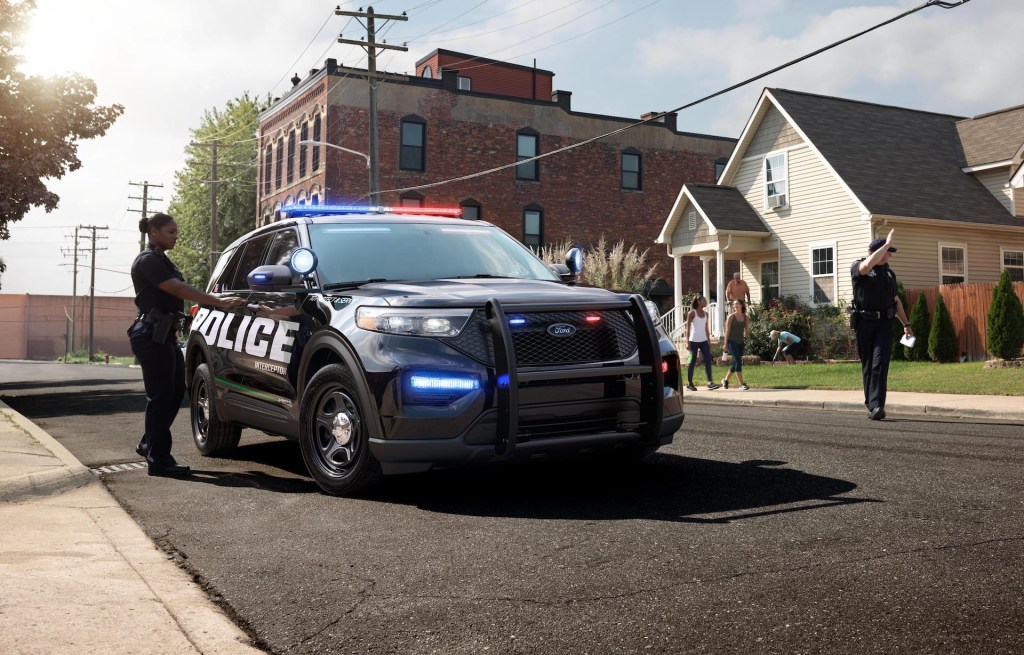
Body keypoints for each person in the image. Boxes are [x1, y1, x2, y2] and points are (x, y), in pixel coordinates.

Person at [129, 212, 245, 476]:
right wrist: (218, 302)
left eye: (176, 231)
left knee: (175, 392)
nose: (176, 236)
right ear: (154, 232)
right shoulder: (147, 261)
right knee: (160, 398)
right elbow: (177, 289)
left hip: (164, 334)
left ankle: (149, 442)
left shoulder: (160, 260)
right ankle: (158, 460)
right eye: (171, 232)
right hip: (150, 336)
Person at [851, 229, 913, 420]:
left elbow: (896, 300)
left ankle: (877, 406)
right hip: (864, 323)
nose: (890, 255)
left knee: (880, 363)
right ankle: (871, 405)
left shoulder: (889, 274)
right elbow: (867, 265)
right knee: (869, 364)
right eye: (888, 251)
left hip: (885, 324)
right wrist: (885, 244)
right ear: (877, 251)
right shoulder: (859, 267)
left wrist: (906, 324)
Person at [682, 294, 721, 391]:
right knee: (692, 362)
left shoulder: (706, 314)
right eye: (704, 300)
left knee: (708, 360)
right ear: (698, 302)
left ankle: (710, 382)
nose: (706, 302)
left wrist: (709, 341)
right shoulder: (692, 313)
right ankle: (689, 384)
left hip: (703, 341)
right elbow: (687, 329)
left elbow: (706, 329)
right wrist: (687, 342)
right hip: (693, 340)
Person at [721, 300, 751, 390]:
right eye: (733, 304)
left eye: (737, 303)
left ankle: (725, 380)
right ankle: (741, 384)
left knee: (735, 363)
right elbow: (727, 331)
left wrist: (748, 338)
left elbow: (747, 330)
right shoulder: (731, 317)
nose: (735, 305)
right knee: (738, 360)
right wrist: (725, 344)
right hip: (731, 342)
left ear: (741, 305)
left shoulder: (746, 317)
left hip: (740, 343)